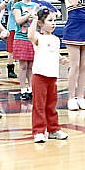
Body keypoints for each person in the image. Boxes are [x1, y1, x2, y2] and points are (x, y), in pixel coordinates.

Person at [28, 8, 69, 143]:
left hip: (52, 76)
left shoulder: (56, 39)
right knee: (39, 105)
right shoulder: (39, 38)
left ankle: (53, 129)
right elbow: (30, 35)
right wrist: (34, 19)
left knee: (51, 104)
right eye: (50, 21)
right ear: (41, 23)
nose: (53, 23)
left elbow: (52, 52)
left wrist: (60, 58)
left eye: (54, 21)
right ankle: (39, 131)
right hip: (40, 75)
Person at [12, 0, 38, 100]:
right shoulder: (17, 5)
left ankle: (32, 88)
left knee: (31, 66)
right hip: (21, 37)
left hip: (32, 38)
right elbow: (18, 20)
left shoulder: (36, 5)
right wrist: (29, 14)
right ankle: (23, 89)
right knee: (23, 66)